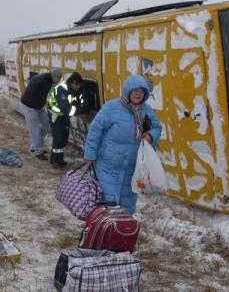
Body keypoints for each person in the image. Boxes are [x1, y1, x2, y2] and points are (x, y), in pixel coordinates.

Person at [82, 75, 162, 214]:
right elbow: (95, 130)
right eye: (135, 90)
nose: (138, 94)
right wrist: (90, 154)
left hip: (131, 169)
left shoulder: (146, 111)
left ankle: (120, 234)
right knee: (106, 204)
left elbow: (156, 128)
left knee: (126, 208)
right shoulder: (112, 107)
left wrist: (150, 135)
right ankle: (102, 232)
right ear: (128, 91)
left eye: (142, 91)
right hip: (107, 166)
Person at [20, 68, 62, 160]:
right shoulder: (43, 82)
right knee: (35, 129)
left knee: (46, 126)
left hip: (38, 106)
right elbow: (48, 97)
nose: (58, 81)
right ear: (54, 76)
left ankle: (35, 147)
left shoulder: (48, 80)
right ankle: (38, 151)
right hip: (29, 106)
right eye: (58, 79)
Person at [47, 72, 83, 168]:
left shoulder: (74, 90)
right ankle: (54, 160)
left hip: (64, 116)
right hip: (55, 115)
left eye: (80, 85)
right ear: (72, 83)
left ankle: (59, 159)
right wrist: (78, 110)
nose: (78, 87)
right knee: (58, 137)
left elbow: (77, 101)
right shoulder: (62, 89)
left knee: (64, 137)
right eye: (77, 85)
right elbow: (66, 109)